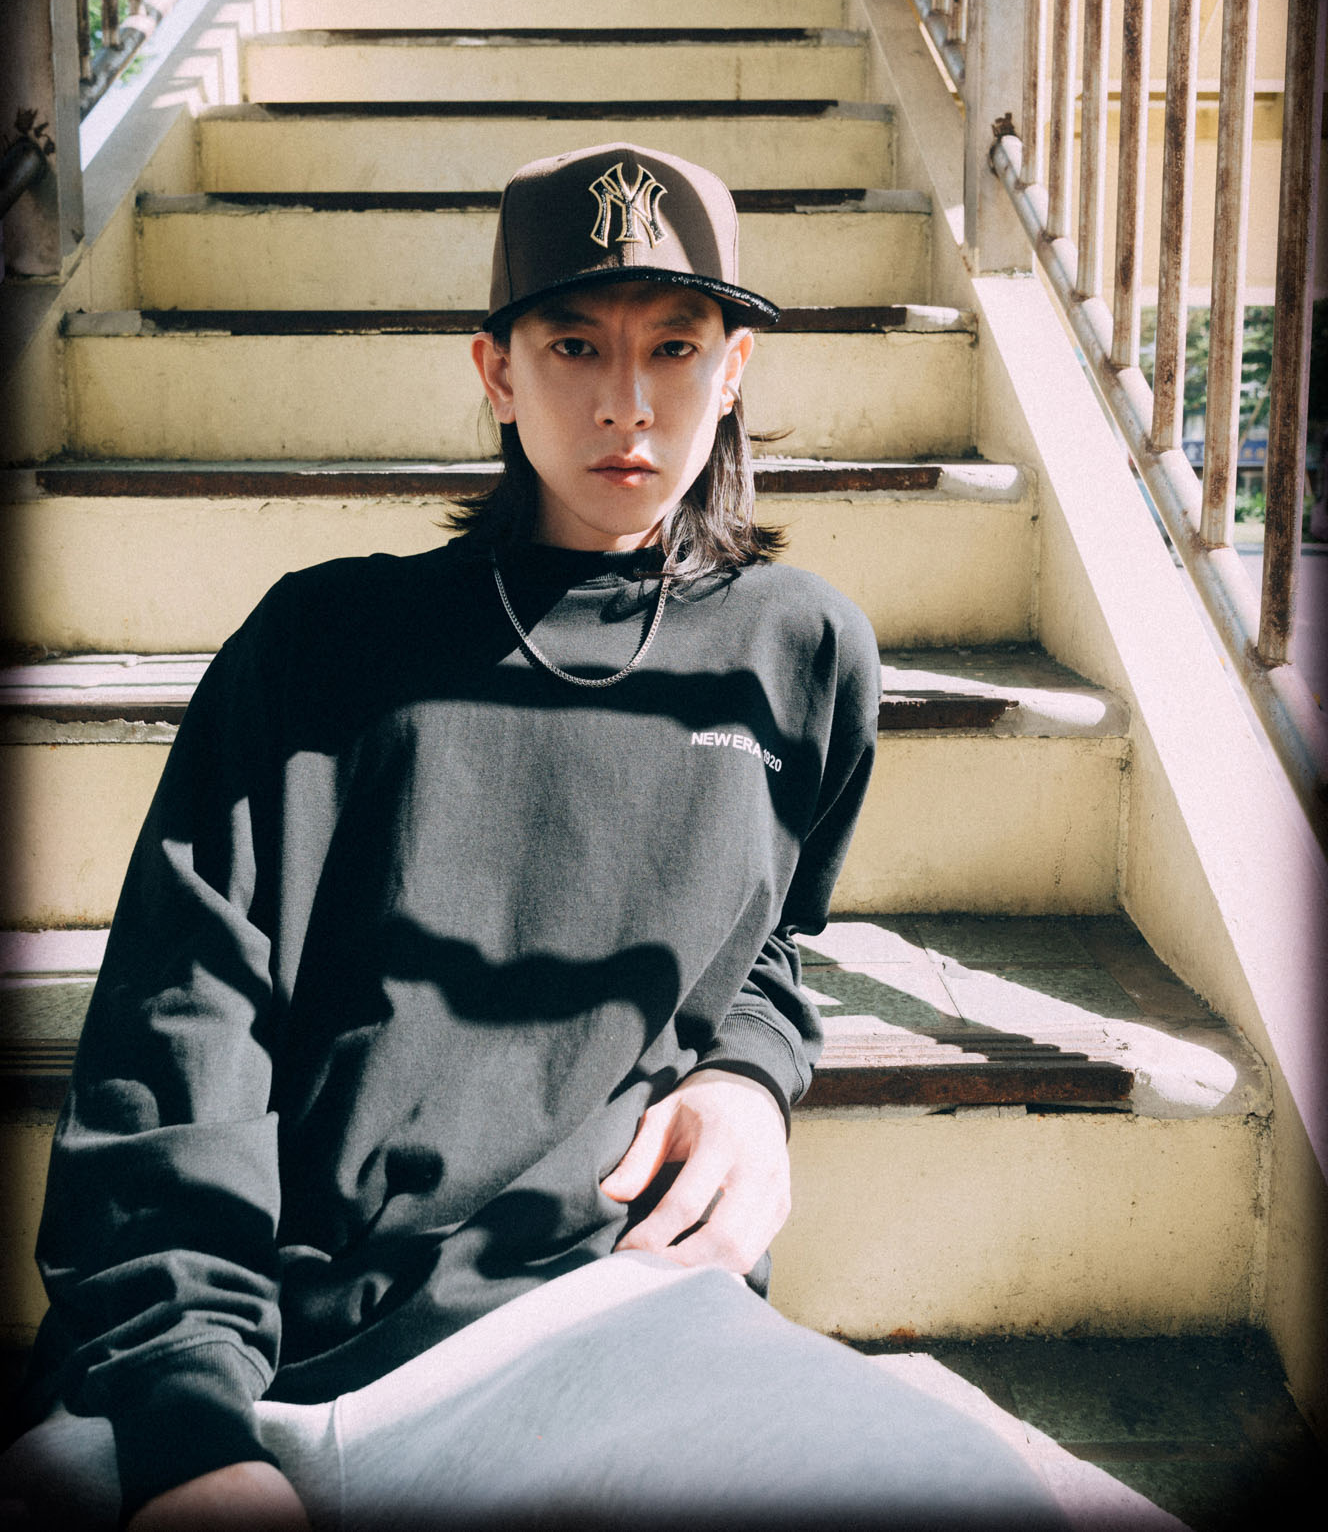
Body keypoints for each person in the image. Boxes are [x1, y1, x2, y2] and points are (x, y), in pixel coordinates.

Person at [0, 144, 1072, 1531]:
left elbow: (762, 943)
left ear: (732, 372)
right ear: (495, 371)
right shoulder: (324, 643)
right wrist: (188, 1427)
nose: (627, 402)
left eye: (674, 347)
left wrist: (750, 1075)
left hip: (601, 1325)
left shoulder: (801, 652)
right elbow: (178, 1032)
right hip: (252, 1355)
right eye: (574, 345)